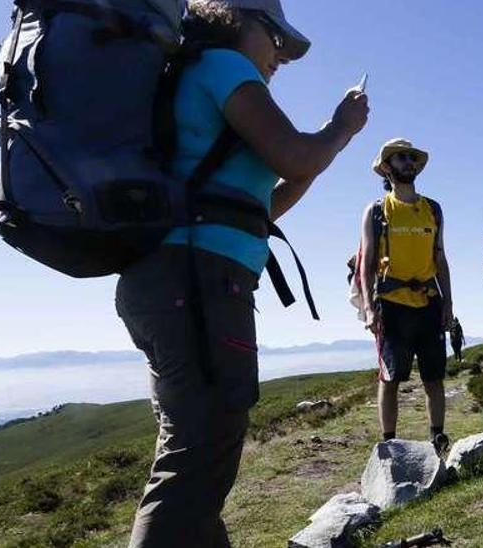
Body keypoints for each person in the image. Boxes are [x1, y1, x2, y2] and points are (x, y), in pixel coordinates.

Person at [115, 1, 367, 546]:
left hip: (177, 280)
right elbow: (297, 155)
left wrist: (315, 158)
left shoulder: (192, 74)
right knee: (198, 452)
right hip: (197, 283)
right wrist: (340, 129)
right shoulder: (226, 67)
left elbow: (257, 208)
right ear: (234, 18)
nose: (280, 53)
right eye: (273, 34)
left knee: (200, 445)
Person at [358, 138, 455, 454]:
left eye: (412, 158)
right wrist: (370, 310)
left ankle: (437, 437)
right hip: (391, 306)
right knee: (390, 378)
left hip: (429, 302)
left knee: (434, 377)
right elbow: (367, 263)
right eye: (401, 158)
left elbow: (439, 259)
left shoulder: (433, 209)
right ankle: (389, 444)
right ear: (386, 167)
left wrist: (448, 304)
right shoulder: (375, 211)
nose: (409, 162)